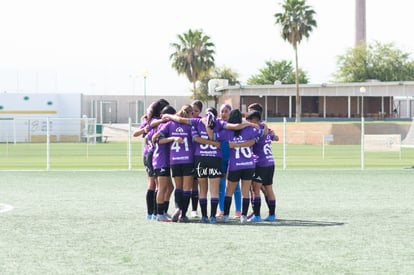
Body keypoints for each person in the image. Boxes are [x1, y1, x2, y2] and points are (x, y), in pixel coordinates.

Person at [214, 109, 263, 223]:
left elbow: (214, 135)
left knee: (229, 192)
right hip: (248, 164)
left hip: (235, 165)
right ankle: (244, 216)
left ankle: (225, 216)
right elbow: (261, 132)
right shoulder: (249, 129)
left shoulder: (226, 132)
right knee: (245, 192)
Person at [157, 104, 195, 222]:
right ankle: (183, 214)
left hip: (175, 160)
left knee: (178, 187)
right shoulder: (190, 124)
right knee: (187, 188)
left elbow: (160, 139)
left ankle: (177, 208)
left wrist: (157, 136)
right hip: (188, 160)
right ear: (190, 114)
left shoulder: (169, 124)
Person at [133, 98, 169, 220]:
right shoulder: (154, 121)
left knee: (161, 185)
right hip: (151, 154)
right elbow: (136, 133)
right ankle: (152, 213)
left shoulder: (160, 121)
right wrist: (145, 128)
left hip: (156, 155)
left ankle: (157, 212)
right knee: (154, 184)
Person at [245, 110, 278, 222]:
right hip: (270, 162)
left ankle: (257, 216)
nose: (248, 122)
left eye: (250, 120)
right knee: (269, 189)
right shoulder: (266, 129)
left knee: (255, 189)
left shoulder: (256, 129)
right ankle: (272, 215)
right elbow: (275, 137)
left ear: (255, 120)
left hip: (260, 163)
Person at [148, 105, 176, 222]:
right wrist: (173, 138)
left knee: (169, 187)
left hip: (161, 160)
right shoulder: (163, 126)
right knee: (162, 188)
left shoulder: (161, 126)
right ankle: (159, 214)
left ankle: (161, 211)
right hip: (161, 160)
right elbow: (158, 139)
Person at [217, 104, 242, 218]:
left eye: (226, 111)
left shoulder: (238, 127)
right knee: (221, 184)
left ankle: (238, 210)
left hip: (233, 161)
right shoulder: (219, 126)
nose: (223, 114)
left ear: (231, 113)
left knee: (235, 186)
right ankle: (221, 209)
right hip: (221, 160)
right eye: (222, 111)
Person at [189, 100, 203, 218]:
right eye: (191, 110)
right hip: (185, 157)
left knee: (196, 183)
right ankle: (182, 209)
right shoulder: (184, 120)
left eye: (196, 111)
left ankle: (194, 209)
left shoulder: (201, 122)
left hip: (198, 157)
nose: (193, 113)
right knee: (185, 185)